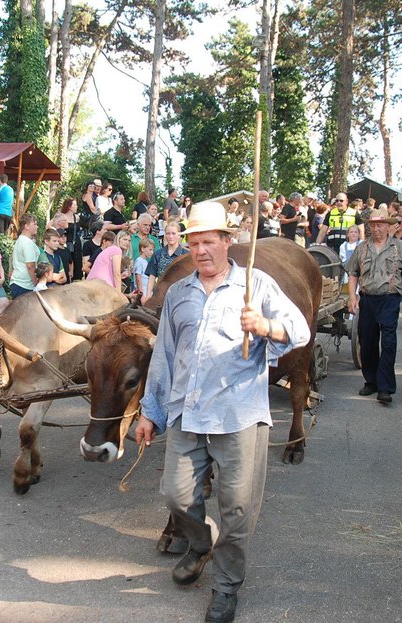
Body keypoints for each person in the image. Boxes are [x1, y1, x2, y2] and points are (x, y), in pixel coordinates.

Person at [134, 201, 310, 623]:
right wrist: (149, 412)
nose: (201, 251)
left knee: (237, 509)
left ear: (228, 242)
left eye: (209, 242)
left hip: (238, 416)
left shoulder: (257, 285)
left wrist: (266, 328)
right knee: (175, 495)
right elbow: (164, 356)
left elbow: (300, 330)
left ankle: (227, 587)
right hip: (187, 413)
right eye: (194, 243)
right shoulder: (178, 294)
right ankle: (199, 543)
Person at [347, 208, 402, 404]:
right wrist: (352, 297)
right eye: (373, 225)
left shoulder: (399, 247)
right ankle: (371, 381)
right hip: (367, 299)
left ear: (389, 227)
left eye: (380, 225)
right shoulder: (361, 248)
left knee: (388, 342)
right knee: (367, 342)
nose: (376, 229)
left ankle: (385, 387)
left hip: (389, 299)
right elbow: (353, 273)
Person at [143, 220, 189, 303]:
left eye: (173, 233)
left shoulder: (186, 255)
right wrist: (148, 294)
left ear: (179, 235)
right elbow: (152, 276)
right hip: (161, 296)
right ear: (165, 235)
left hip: (181, 296)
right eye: (168, 233)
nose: (170, 236)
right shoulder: (158, 254)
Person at [8, 213, 40, 298]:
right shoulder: (27, 242)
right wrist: (36, 282)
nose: (37, 227)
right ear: (26, 226)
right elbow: (30, 265)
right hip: (24, 285)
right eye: (35, 224)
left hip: (18, 283)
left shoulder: (20, 239)